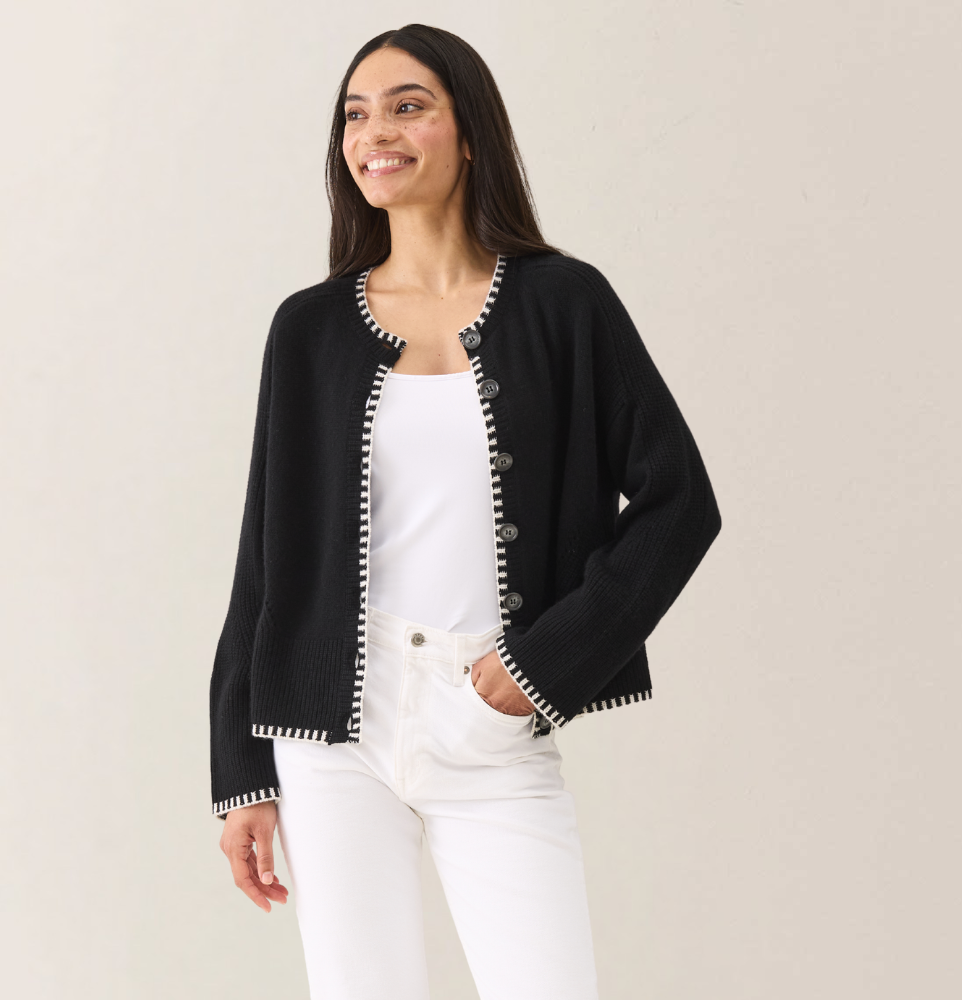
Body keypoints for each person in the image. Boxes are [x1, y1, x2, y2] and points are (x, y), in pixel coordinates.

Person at [207, 24, 723, 999]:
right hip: (331, 736)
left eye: (408, 107)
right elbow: (264, 563)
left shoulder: (564, 303)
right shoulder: (309, 329)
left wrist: (543, 664)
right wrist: (241, 770)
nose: (375, 133)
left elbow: (680, 502)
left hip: (485, 713)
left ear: (470, 132)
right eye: (356, 115)